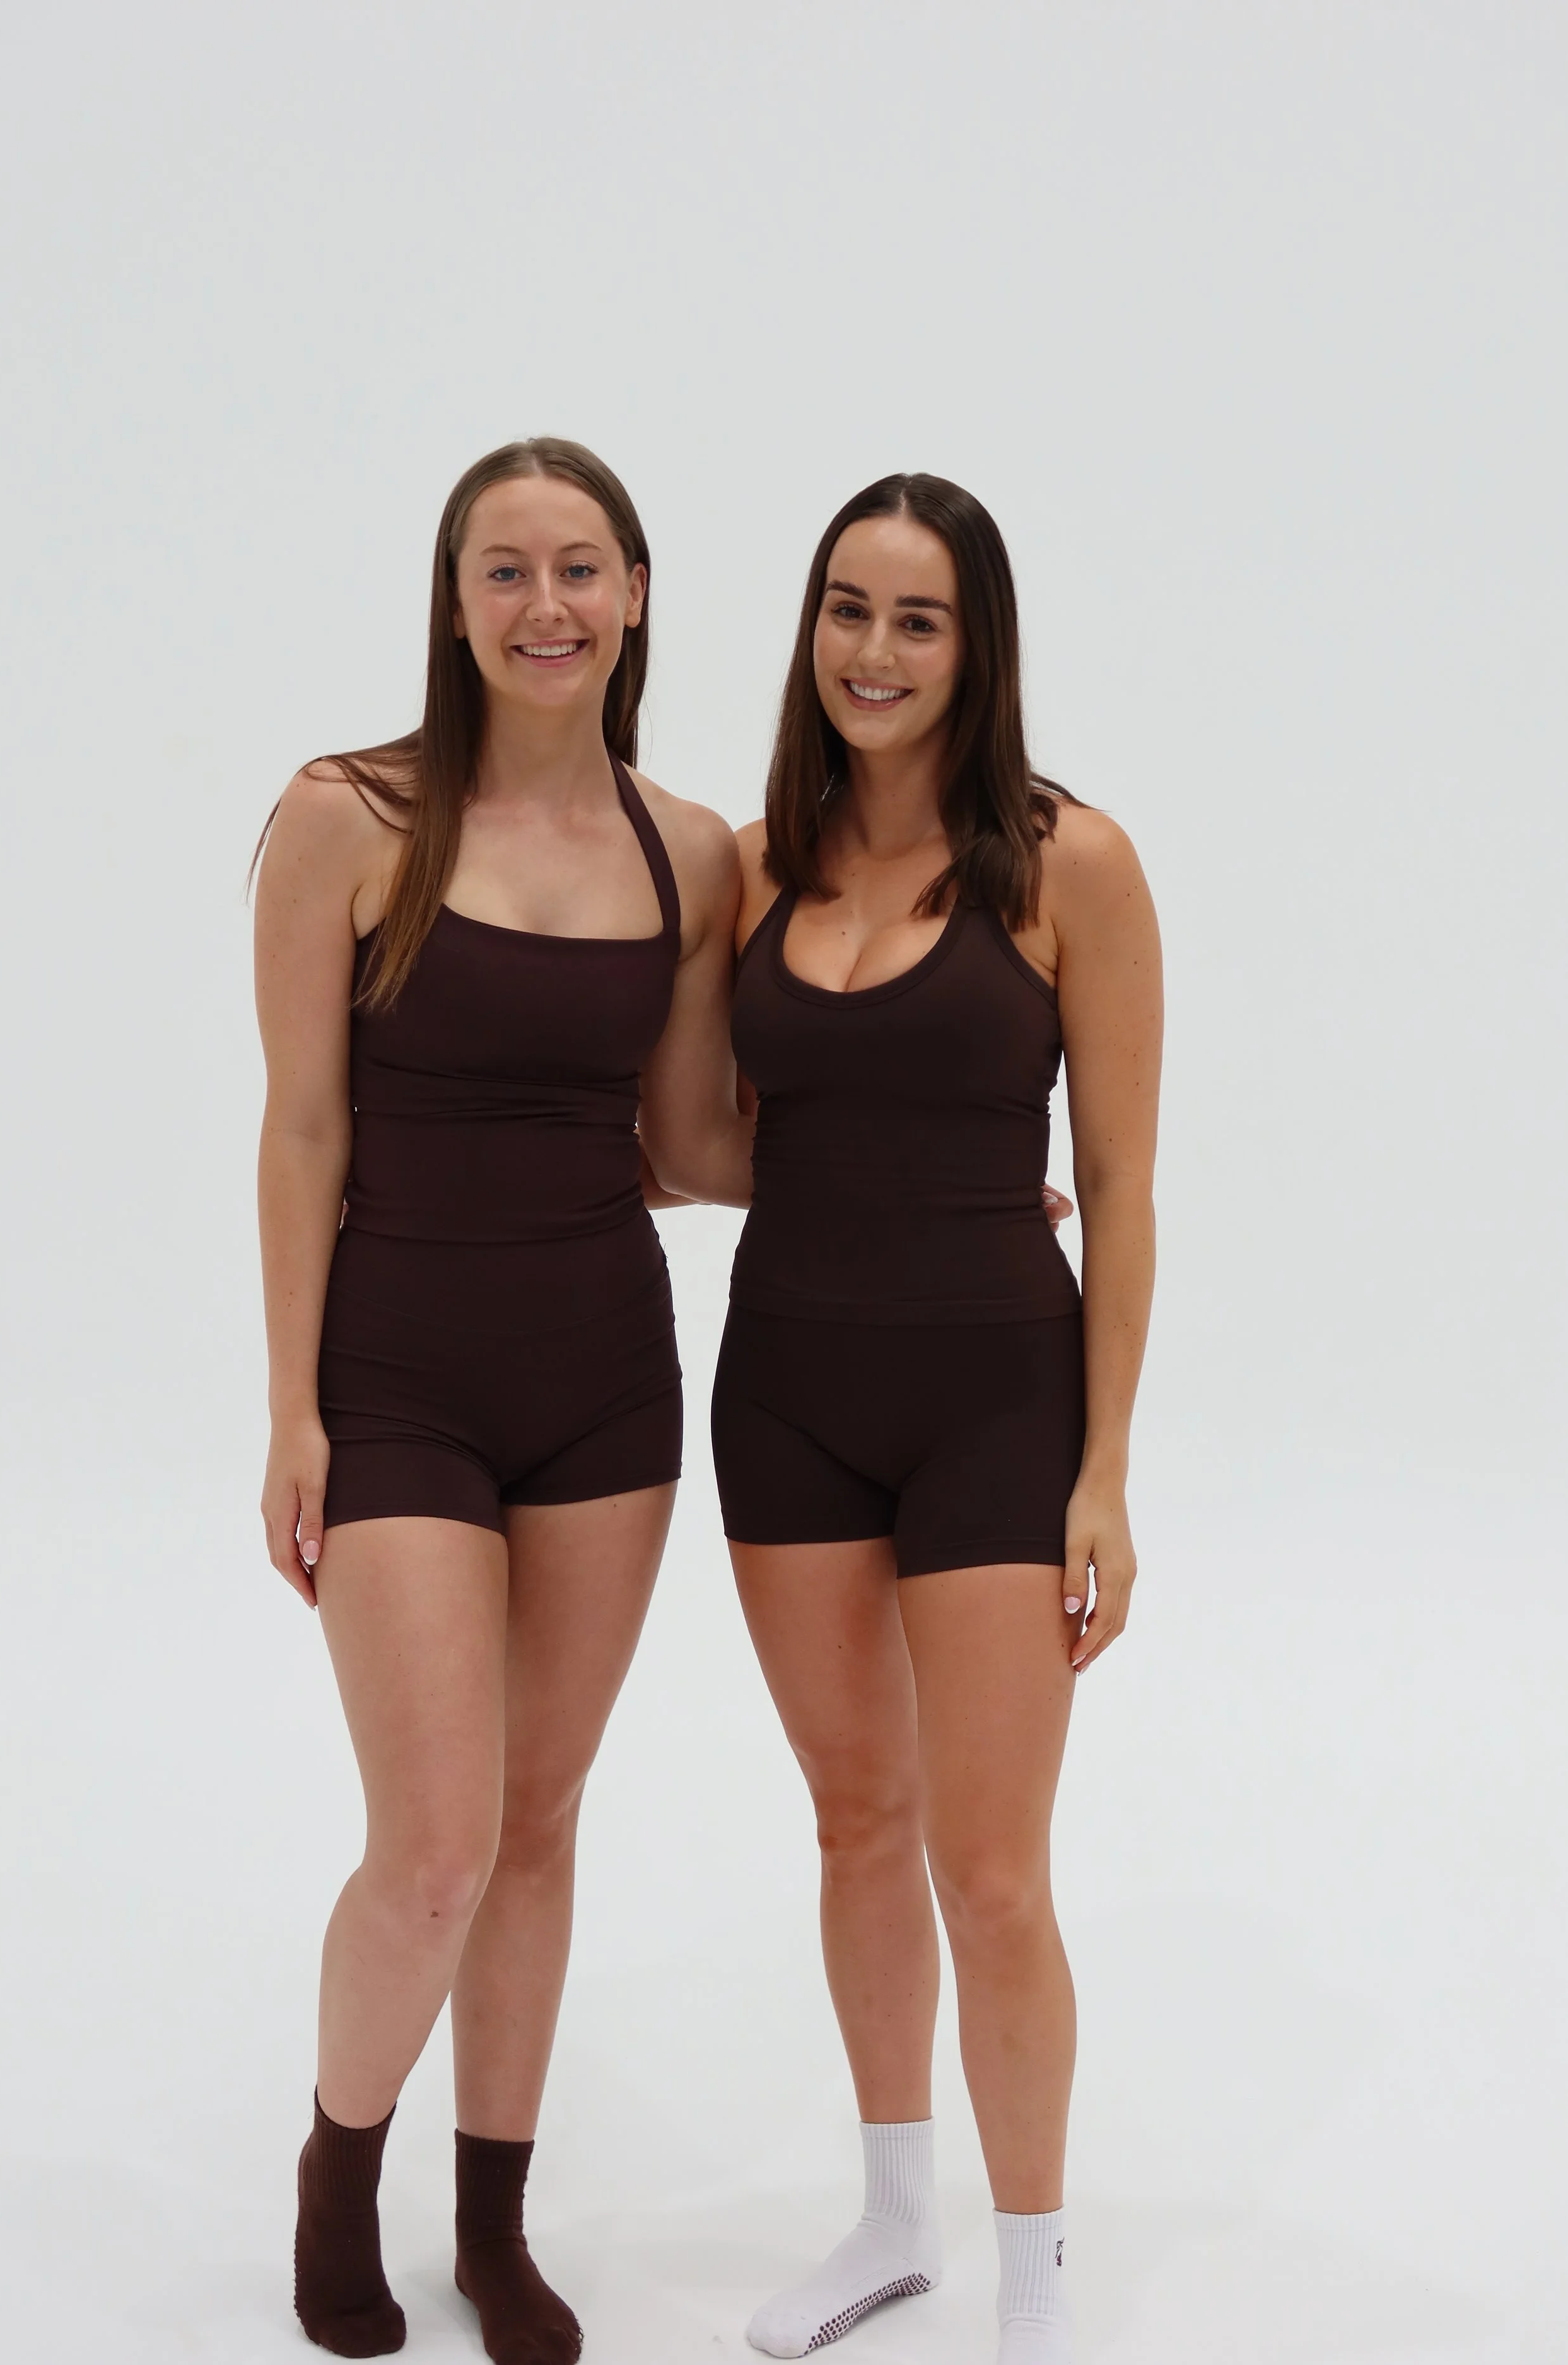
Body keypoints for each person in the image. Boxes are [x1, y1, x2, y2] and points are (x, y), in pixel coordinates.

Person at [252, 437, 747, 2362]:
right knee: (435, 1841)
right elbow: (302, 1124)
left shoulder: (688, 850)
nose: (546, 605)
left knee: (539, 1824)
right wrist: (292, 1411)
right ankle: (337, 2164)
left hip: (605, 1381)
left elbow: (694, 1137)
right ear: (454, 605)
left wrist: (917, 1166)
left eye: (581, 569)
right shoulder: (347, 813)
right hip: (395, 1374)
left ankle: (494, 2222)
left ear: (632, 596)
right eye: (503, 571)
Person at [710, 474, 1162, 2362]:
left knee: (988, 1867)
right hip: (786, 1397)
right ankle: (894, 2218)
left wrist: (1104, 1473)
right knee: (853, 1818)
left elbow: (1122, 1183)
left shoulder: (1074, 863)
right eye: (844, 609)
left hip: (996, 1402)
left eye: (916, 618)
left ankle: (1033, 2277)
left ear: (976, 646)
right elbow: (693, 1141)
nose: (872, 651)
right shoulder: (753, 866)